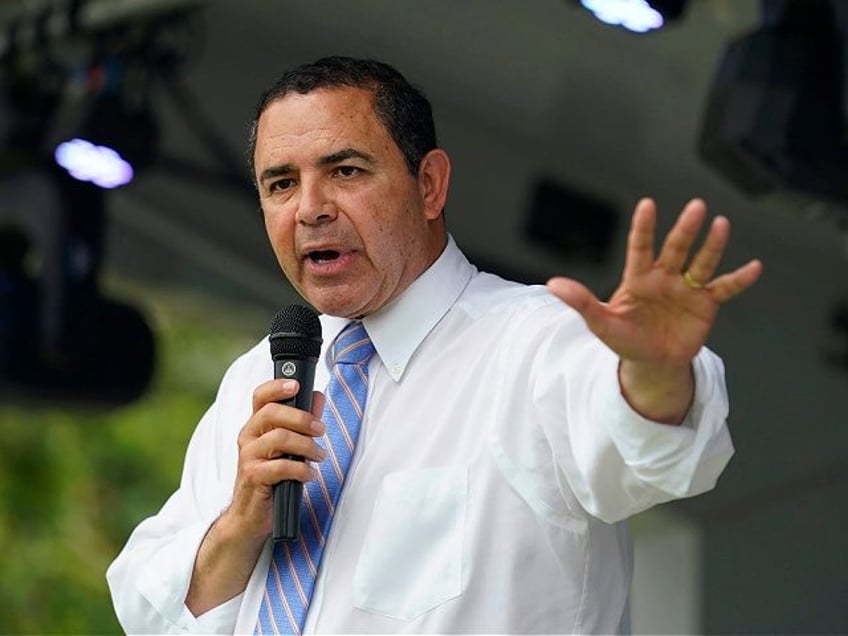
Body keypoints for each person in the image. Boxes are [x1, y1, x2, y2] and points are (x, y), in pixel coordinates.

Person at [106, 56, 762, 634]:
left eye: (345, 169)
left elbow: (652, 454)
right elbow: (147, 608)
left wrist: (652, 371)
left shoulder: (534, 341)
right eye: (280, 183)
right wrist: (240, 525)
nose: (309, 208)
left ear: (429, 186)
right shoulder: (263, 374)